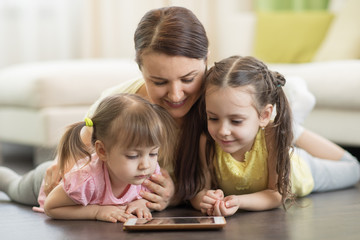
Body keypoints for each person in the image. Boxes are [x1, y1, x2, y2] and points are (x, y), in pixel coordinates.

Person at [0, 6, 315, 211]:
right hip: (84, 191)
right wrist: (66, 164)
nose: (177, 94)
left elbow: (277, 126)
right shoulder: (122, 104)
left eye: (189, 78)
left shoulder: (221, 99)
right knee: (18, 187)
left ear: (206, 62)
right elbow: (81, 152)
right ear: (140, 71)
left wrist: (175, 194)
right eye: (159, 81)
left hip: (140, 201)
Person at [188, 56, 360, 216]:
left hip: (303, 169)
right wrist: (204, 199)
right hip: (270, 132)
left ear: (264, 116)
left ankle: (292, 129)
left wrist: (239, 201)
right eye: (213, 118)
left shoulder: (272, 136)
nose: (223, 130)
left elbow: (276, 194)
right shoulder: (207, 141)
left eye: (236, 121)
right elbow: (200, 190)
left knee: (354, 168)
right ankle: (290, 126)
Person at [1, 93, 177, 223]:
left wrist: (142, 202)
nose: (146, 165)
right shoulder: (86, 181)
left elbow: (152, 195)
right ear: (102, 151)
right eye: (133, 155)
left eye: (153, 153)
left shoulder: (148, 172)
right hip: (46, 183)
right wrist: (96, 212)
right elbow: (52, 207)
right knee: (12, 186)